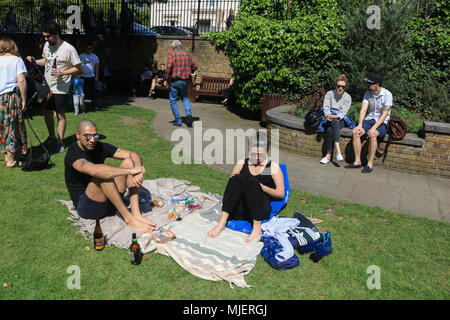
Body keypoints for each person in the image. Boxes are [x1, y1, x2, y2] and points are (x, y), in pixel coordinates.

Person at [64, 119, 156, 233]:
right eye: (87, 136)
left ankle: (136, 213)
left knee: (129, 161)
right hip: (88, 208)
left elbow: (132, 154)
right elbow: (95, 171)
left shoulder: (99, 146)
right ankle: (129, 218)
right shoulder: (73, 154)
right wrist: (130, 171)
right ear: (77, 135)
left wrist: (137, 170)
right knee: (103, 174)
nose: (92, 140)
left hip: (110, 203)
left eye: (95, 136)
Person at [207, 132, 285, 243]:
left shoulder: (272, 167)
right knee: (237, 179)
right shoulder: (242, 163)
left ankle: (257, 227)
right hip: (241, 209)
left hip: (259, 209)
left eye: (260, 155)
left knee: (252, 182)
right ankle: (221, 223)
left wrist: (261, 187)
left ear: (267, 152)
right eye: (253, 154)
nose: (257, 158)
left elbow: (281, 193)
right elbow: (231, 188)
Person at [26, 21, 82, 153]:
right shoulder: (47, 45)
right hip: (47, 86)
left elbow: (79, 70)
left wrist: (62, 72)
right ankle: (51, 137)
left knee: (60, 115)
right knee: (46, 112)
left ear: (56, 34)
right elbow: (46, 61)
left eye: (48, 36)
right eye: (44, 36)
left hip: (60, 88)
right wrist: (34, 61)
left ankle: (60, 142)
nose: (45, 39)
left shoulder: (69, 49)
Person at [345, 73, 393, 173]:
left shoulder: (388, 95)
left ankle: (369, 164)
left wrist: (373, 128)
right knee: (356, 132)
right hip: (370, 119)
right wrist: (359, 125)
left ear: (376, 84)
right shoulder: (367, 93)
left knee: (373, 135)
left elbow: (384, 114)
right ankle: (357, 162)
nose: (367, 85)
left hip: (382, 123)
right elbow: (363, 110)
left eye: (369, 83)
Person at [0, 37, 27, 168]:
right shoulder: (17, 60)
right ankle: (11, 160)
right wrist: (24, 99)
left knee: (3, 125)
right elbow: (21, 80)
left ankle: (7, 155)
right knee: (13, 125)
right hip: (11, 96)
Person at [319, 74, 352, 164]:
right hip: (328, 117)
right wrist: (329, 115)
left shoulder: (347, 97)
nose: (340, 88)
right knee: (330, 128)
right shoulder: (330, 94)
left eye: (343, 86)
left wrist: (336, 116)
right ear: (335, 85)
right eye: (338, 86)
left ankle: (328, 155)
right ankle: (338, 150)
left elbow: (343, 112)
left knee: (331, 129)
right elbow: (325, 107)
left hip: (340, 119)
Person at [164, 40, 198, 127]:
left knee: (173, 100)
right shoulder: (187, 55)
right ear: (181, 47)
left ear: (173, 47)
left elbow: (168, 68)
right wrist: (190, 71)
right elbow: (195, 66)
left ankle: (178, 120)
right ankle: (189, 114)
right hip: (185, 81)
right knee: (185, 98)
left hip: (175, 81)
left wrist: (166, 79)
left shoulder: (172, 55)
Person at [79, 44, 99, 110]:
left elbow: (97, 67)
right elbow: (77, 65)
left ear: (92, 49)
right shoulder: (81, 56)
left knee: (93, 91)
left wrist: (96, 77)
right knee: (82, 91)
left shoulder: (95, 57)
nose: (89, 49)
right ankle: (81, 105)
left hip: (91, 76)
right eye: (87, 48)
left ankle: (94, 105)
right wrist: (78, 75)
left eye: (90, 48)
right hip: (82, 76)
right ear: (85, 49)